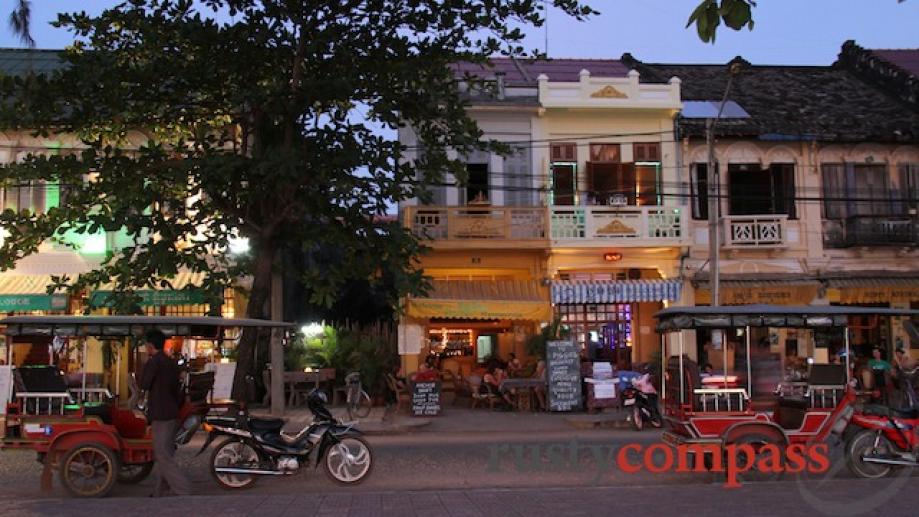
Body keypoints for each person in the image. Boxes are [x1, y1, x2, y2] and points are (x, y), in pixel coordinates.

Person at [140, 329, 192, 497]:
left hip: (161, 413)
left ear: (149, 346)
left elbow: (145, 384)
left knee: (162, 454)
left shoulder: (154, 362)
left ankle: (183, 489)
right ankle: (160, 489)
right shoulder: (170, 362)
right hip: (172, 410)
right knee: (165, 451)